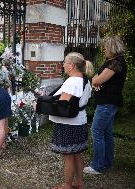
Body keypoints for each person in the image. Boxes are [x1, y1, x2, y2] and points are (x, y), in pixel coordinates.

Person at [47, 52, 93, 189]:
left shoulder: (72, 81)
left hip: (69, 124)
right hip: (80, 121)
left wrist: (42, 105)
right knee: (77, 153)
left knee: (68, 156)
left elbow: (62, 104)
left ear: (72, 66)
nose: (63, 65)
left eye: (65, 62)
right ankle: (79, 182)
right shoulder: (85, 80)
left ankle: (67, 185)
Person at [84, 36, 127, 174]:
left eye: (106, 47)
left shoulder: (116, 63)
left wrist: (97, 80)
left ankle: (97, 166)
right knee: (106, 133)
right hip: (107, 102)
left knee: (96, 131)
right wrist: (96, 80)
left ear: (113, 48)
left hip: (108, 102)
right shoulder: (112, 62)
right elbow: (96, 78)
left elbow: (97, 80)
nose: (104, 49)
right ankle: (107, 162)